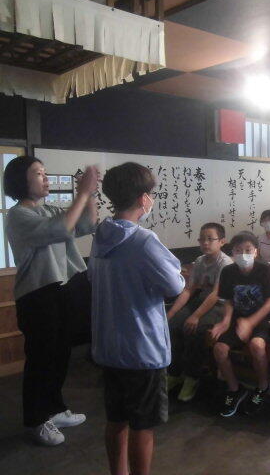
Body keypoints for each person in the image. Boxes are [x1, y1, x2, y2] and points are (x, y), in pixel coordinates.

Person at [89, 162, 185, 475]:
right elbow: (174, 285)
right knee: (142, 425)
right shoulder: (143, 240)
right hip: (142, 349)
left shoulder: (101, 236)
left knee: (116, 419)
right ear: (144, 199)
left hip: (109, 346)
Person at [5, 156, 98, 446]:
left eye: (45, 172)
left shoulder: (50, 209)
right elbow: (59, 230)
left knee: (60, 355)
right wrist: (83, 192)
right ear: (21, 180)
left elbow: (87, 224)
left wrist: (91, 194)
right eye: (38, 173)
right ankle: (36, 420)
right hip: (37, 295)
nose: (45, 178)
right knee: (41, 359)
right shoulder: (18, 215)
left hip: (63, 289)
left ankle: (54, 409)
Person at [210, 231, 270, 417]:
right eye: (238, 250)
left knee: (257, 345)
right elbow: (228, 300)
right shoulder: (228, 272)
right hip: (237, 319)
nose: (243, 254)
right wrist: (225, 321)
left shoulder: (264, 270)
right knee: (219, 349)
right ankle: (234, 389)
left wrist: (249, 323)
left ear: (256, 251)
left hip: (262, 319)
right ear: (232, 252)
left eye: (248, 250)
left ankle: (263, 386)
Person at [166, 222, 233, 402]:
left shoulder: (226, 263)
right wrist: (170, 313)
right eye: (202, 239)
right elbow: (188, 290)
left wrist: (195, 316)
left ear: (222, 242)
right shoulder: (200, 261)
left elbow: (216, 294)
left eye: (210, 239)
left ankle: (192, 377)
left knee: (194, 330)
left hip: (220, 305)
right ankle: (174, 373)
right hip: (202, 301)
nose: (205, 243)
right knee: (172, 325)